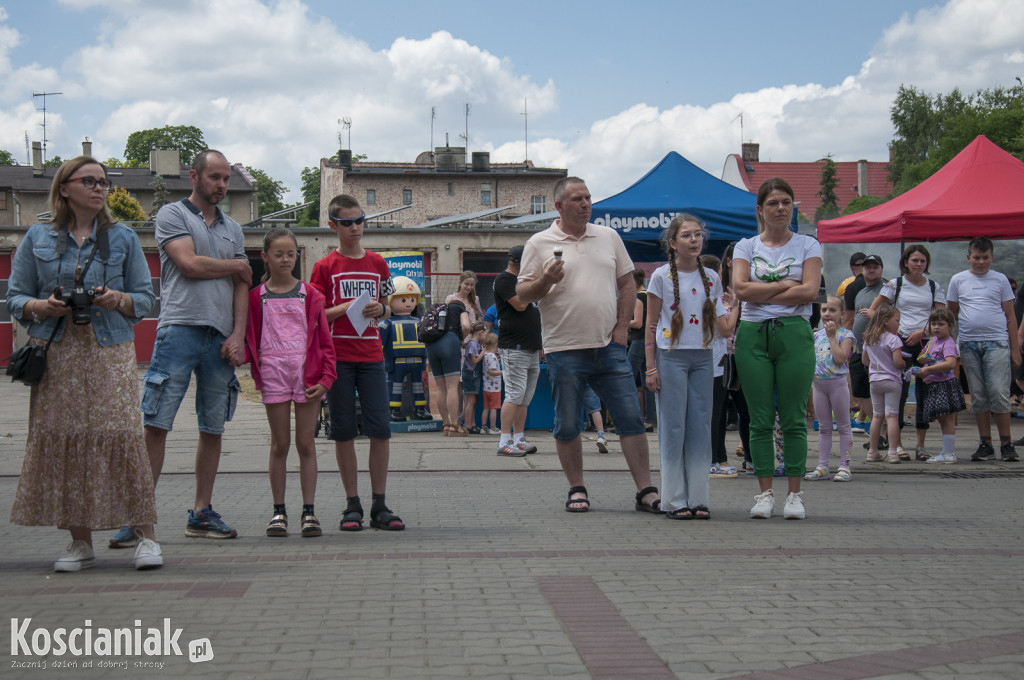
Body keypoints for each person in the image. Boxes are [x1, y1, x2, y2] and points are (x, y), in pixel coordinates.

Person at [8, 156, 161, 571]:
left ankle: (146, 537)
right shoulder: (37, 237)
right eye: (89, 181)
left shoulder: (124, 238)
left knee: (122, 436)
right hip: (57, 354)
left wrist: (118, 299)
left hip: (108, 348)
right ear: (64, 188)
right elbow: (15, 298)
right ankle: (80, 543)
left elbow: (146, 299)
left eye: (104, 183)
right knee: (65, 440)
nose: (99, 188)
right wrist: (43, 305)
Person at [517, 177, 662, 514]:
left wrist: (622, 329)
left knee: (631, 420)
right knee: (567, 423)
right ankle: (577, 489)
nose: (585, 204)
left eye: (588, 198)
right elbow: (523, 296)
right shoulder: (538, 243)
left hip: (609, 347)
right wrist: (546, 280)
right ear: (559, 206)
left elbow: (627, 283)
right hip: (563, 349)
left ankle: (646, 491)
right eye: (577, 199)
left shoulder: (608, 237)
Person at [130, 149, 251, 544]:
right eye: (214, 177)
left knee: (212, 427)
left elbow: (243, 287)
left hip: (219, 337)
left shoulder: (233, 228)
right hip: (178, 329)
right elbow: (189, 265)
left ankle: (201, 511)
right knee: (156, 424)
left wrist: (237, 335)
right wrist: (234, 265)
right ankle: (138, 517)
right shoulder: (172, 215)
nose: (221, 185)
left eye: (226, 179)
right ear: (194, 175)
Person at [309, 194, 405, 531]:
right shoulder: (324, 267)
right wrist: (347, 307)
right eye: (347, 222)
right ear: (333, 226)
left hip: (372, 357)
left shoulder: (378, 263)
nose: (355, 228)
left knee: (380, 430)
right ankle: (353, 505)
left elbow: (388, 305)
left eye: (360, 220)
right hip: (337, 359)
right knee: (344, 431)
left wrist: (382, 309)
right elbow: (315, 313)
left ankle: (380, 503)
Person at [732, 177, 821, 520]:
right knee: (759, 420)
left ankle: (795, 495)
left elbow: (810, 292)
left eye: (786, 202)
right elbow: (740, 289)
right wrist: (788, 284)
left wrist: (762, 289)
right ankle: (764, 493)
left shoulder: (808, 245)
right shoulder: (746, 246)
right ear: (761, 210)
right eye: (773, 203)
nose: (780, 208)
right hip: (753, 333)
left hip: (795, 332)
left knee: (794, 418)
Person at [244, 228, 336, 538]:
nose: (285, 260)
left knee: (306, 443)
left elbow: (325, 343)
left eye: (291, 254)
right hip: (273, 373)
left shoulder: (311, 295)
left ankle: (309, 512)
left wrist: (326, 379)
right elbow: (248, 339)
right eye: (279, 254)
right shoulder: (255, 298)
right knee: (280, 443)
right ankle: (278, 511)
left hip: (307, 375)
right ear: (265, 257)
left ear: (298, 256)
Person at [645, 215, 733, 519]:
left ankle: (698, 498)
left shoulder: (712, 276)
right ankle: (674, 500)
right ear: (673, 243)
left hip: (703, 356)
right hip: (670, 356)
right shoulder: (660, 277)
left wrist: (739, 308)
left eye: (697, 235)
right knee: (673, 427)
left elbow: (723, 327)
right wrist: (650, 367)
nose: (694, 240)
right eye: (686, 236)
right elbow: (651, 324)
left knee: (700, 426)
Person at [866, 245, 946, 460]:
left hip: (926, 342)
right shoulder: (895, 284)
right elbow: (874, 310)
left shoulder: (933, 286)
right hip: (899, 342)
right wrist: (894, 329)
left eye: (922, 261)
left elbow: (941, 316)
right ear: (906, 263)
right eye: (914, 261)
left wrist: (923, 331)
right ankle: (897, 445)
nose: (918, 264)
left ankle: (920, 445)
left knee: (924, 392)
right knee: (898, 394)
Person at [947, 236, 1021, 462]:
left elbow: (1010, 316)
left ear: (992, 257)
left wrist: (1015, 349)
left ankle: (1006, 443)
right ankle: (985, 443)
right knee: (978, 395)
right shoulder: (958, 280)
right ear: (968, 257)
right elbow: (952, 314)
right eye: (976, 258)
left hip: (997, 343)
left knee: (999, 392)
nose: (981, 262)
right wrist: (950, 344)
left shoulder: (1000, 281)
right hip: (969, 344)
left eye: (985, 258)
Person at [493, 245, 542, 457]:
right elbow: (520, 305)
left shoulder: (524, 282)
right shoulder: (505, 281)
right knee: (514, 394)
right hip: (514, 347)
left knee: (525, 397)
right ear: (518, 262)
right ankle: (504, 441)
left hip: (531, 346)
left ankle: (519, 437)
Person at [807, 295, 856, 481]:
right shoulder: (816, 335)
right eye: (824, 310)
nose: (827, 314)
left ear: (842, 313)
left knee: (843, 425)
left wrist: (832, 336)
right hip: (819, 384)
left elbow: (841, 358)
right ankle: (822, 465)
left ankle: (845, 465)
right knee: (824, 428)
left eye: (832, 310)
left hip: (837, 384)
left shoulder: (846, 335)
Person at [701, 254, 740, 478]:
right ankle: (711, 461)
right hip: (715, 361)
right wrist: (734, 307)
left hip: (707, 359)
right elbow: (726, 330)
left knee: (713, 412)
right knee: (714, 414)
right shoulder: (712, 298)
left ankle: (716, 458)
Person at [915, 309, 967, 463]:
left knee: (947, 419)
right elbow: (921, 357)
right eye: (934, 324)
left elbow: (950, 362)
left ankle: (949, 453)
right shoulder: (933, 340)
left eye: (941, 324)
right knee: (941, 419)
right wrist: (923, 360)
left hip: (944, 385)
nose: (936, 327)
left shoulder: (948, 343)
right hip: (934, 386)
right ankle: (946, 452)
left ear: (950, 326)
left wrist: (929, 369)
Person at [844, 254, 886, 438]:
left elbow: (893, 315)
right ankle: (878, 427)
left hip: (878, 349)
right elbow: (852, 318)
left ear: (881, 269)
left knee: (877, 390)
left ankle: (883, 432)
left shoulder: (887, 289)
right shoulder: (859, 291)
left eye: (875, 266)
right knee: (860, 391)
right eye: (867, 267)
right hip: (858, 348)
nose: (870, 270)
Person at [720, 242, 753, 473]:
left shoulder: (750, 289)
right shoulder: (717, 289)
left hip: (745, 356)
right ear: (730, 261)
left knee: (747, 410)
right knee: (718, 410)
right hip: (720, 356)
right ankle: (718, 459)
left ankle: (751, 458)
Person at [425, 294, 468, 436]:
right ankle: (454, 426)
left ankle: (445, 424)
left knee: (440, 388)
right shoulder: (460, 308)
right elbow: (466, 325)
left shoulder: (437, 311)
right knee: (452, 387)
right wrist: (462, 338)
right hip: (449, 341)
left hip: (431, 345)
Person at [627, 268, 655, 427]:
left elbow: (637, 322)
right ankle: (649, 420)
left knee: (627, 377)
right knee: (647, 383)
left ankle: (629, 418)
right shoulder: (647, 296)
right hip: (647, 341)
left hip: (638, 341)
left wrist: (622, 322)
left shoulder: (638, 298)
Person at [461, 321, 487, 434]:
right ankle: (468, 425)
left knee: (473, 400)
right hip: (471, 374)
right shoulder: (473, 344)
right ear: (480, 332)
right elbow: (474, 360)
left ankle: (472, 423)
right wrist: (484, 351)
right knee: (470, 400)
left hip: (473, 374)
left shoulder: (475, 344)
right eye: (486, 334)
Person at [481, 333, 502, 435]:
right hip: (494, 387)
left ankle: (484, 427)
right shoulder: (492, 357)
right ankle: (493, 427)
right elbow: (491, 371)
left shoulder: (484, 355)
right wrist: (502, 372)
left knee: (486, 408)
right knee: (494, 408)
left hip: (486, 387)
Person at [583, 385, 608, 453]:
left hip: (572, 379)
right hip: (588, 380)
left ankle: (569, 439)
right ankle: (601, 437)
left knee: (570, 409)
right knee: (595, 410)